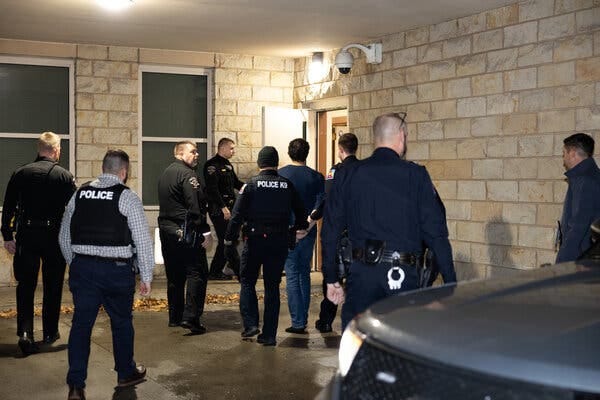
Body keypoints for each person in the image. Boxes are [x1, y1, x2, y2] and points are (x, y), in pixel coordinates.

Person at [321, 112, 457, 330]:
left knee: (358, 344)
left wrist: (331, 278)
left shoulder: (349, 174)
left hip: (362, 276)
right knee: (401, 346)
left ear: (376, 139)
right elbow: (436, 233)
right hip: (402, 276)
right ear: (402, 136)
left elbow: (330, 229)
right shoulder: (416, 175)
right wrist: (450, 284)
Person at [58, 149, 154, 400]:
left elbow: (64, 235)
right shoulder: (127, 197)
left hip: (84, 269)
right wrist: (146, 275)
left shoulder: (80, 194)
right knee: (121, 323)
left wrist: (75, 262)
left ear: (103, 168)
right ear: (124, 172)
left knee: (81, 326)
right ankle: (125, 373)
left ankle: (76, 386)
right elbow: (143, 240)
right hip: (117, 271)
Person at [224, 146, 308, 346]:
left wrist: (229, 240)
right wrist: (294, 229)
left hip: (254, 241)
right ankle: (269, 335)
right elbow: (302, 216)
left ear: (259, 163)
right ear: (276, 163)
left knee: (247, 282)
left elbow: (236, 216)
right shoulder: (287, 185)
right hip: (278, 242)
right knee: (272, 288)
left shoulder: (251, 186)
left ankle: (251, 324)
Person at [1, 132, 75, 355]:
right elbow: (73, 210)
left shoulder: (20, 173)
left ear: (39, 149)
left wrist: (7, 236)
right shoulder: (64, 176)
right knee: (53, 286)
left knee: (26, 285)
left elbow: (9, 206)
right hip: (54, 236)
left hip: (27, 235)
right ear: (56, 150)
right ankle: (50, 332)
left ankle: (25, 333)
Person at [158, 140, 212, 333]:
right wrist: (205, 232)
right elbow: (195, 206)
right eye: (193, 152)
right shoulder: (188, 175)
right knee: (197, 272)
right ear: (180, 154)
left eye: (197, 152)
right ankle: (191, 318)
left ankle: (175, 316)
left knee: (174, 275)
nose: (197, 155)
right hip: (187, 231)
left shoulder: (166, 173)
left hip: (167, 230)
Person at [278, 138, 324, 334]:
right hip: (309, 231)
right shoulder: (316, 177)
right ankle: (303, 318)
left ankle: (297, 322)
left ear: (289, 153)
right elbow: (321, 205)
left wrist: (293, 228)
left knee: (292, 274)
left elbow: (278, 205)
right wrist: (307, 226)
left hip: (287, 231)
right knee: (304, 272)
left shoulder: (281, 174)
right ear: (307, 153)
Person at [313, 133, 359, 334]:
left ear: (340, 150)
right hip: (359, 234)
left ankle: (325, 321)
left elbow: (328, 197)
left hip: (339, 233)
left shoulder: (335, 171)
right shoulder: (364, 169)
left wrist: (315, 214)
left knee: (332, 278)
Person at [203, 138, 244, 280]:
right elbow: (212, 190)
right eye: (231, 148)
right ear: (223, 148)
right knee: (227, 240)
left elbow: (236, 183)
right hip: (218, 208)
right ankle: (238, 271)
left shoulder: (227, 164)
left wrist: (249, 187)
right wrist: (223, 208)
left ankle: (215, 272)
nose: (233, 151)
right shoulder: (211, 166)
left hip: (229, 207)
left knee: (227, 240)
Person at [556, 133, 600, 263]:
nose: (563, 159)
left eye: (564, 153)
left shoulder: (585, 182)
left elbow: (577, 228)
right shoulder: (591, 177)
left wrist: (561, 264)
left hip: (581, 261)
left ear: (573, 153)